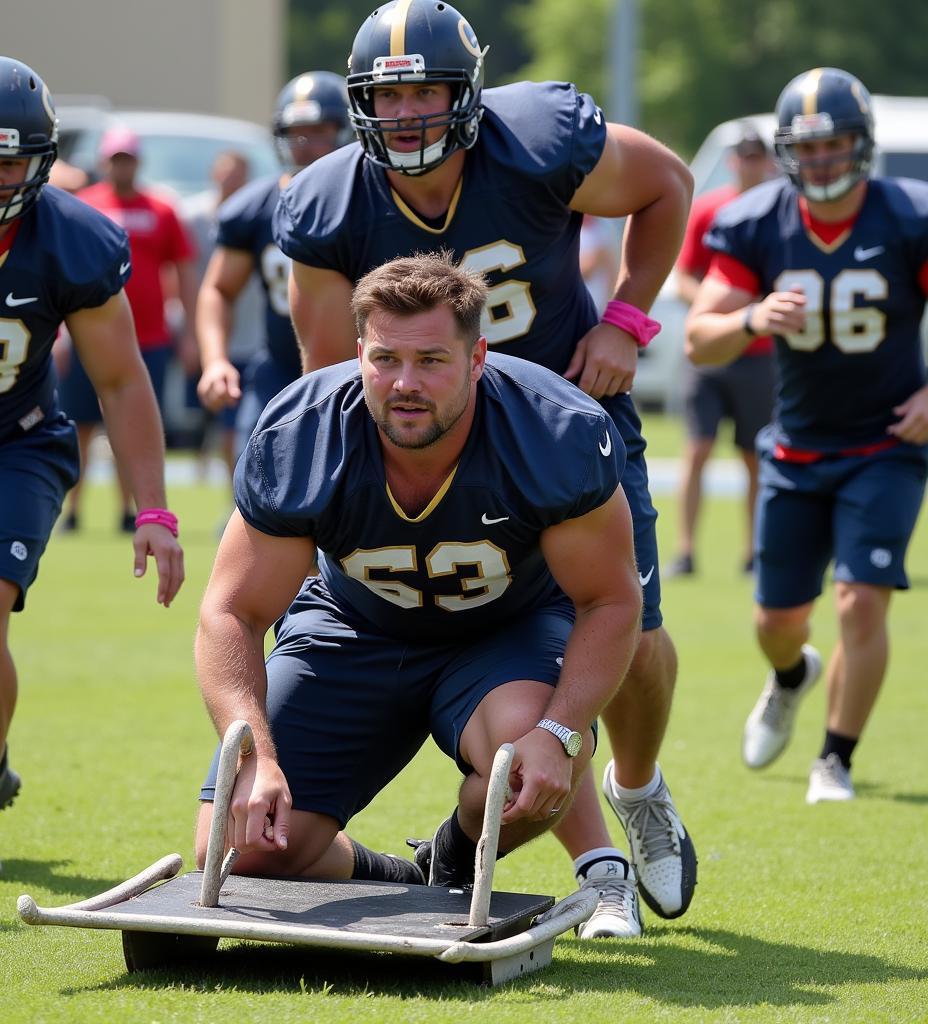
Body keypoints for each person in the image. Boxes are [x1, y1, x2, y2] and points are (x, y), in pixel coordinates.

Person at [271, 0, 696, 938]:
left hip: (561, 427)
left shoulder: (541, 139)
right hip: (422, 441)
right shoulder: (328, 200)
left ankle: (637, 784)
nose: (408, 117)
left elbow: (668, 182)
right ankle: (536, 843)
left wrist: (626, 319)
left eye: (427, 94)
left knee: (631, 635)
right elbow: (323, 367)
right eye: (389, 98)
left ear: (468, 97)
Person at [194, 253, 642, 895]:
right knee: (246, 853)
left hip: (504, 634)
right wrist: (254, 754)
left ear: (477, 358)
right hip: (354, 626)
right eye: (385, 359)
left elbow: (610, 602)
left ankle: (454, 856)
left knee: (532, 770)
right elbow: (230, 611)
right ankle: (392, 876)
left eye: (431, 360)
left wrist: (560, 730)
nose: (405, 382)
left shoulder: (551, 432)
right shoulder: (304, 435)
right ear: (359, 356)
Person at [0, 56, 184, 882]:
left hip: (8, 444)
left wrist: (156, 511)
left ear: (43, 161)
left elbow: (122, 378)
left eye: (9, 161)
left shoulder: (74, 238)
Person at [685, 67, 928, 804]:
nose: (821, 161)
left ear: (862, 146)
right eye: (808, 148)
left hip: (887, 442)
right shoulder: (758, 221)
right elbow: (700, 339)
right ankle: (792, 676)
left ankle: (836, 758)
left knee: (862, 599)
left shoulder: (908, 217)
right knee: (777, 622)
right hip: (796, 446)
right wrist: (753, 318)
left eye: (835, 146)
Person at [195, 72, 354, 454]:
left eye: (318, 132)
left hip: (363, 365)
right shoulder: (254, 208)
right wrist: (215, 360)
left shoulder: (365, 197)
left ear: (344, 131)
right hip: (283, 364)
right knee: (256, 464)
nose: (305, 145)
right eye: (295, 133)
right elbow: (218, 288)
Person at [58, 125, 197, 532]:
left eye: (128, 159)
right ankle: (74, 509)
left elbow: (184, 269)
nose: (122, 166)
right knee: (78, 425)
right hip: (87, 334)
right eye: (116, 159)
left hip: (148, 337)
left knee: (130, 424)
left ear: (138, 162)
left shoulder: (161, 209)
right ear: (104, 162)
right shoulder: (84, 206)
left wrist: (188, 332)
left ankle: (129, 509)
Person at [666, 127, 778, 578]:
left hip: (760, 352)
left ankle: (754, 552)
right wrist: (720, 312)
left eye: (757, 156)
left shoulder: (780, 213)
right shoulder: (710, 208)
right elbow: (684, 276)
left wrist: (755, 314)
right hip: (712, 354)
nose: (750, 164)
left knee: (755, 456)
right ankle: (685, 550)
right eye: (744, 156)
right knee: (697, 449)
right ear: (735, 161)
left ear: (768, 161)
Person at [181, 150, 267, 486]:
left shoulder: (261, 213)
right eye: (225, 173)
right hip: (218, 339)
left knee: (248, 425)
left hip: (256, 338)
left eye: (238, 174)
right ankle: (236, 495)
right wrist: (191, 335)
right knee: (225, 423)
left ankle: (243, 497)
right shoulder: (194, 217)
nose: (231, 180)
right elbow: (189, 279)